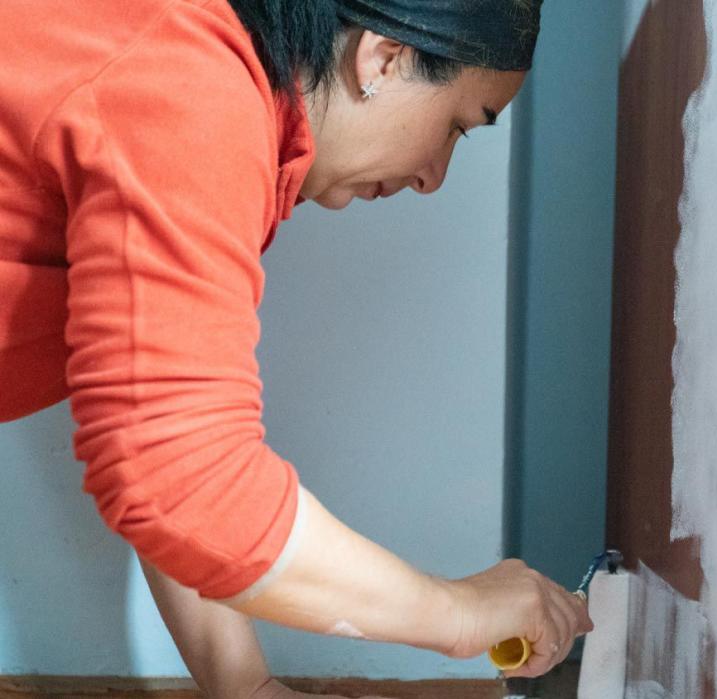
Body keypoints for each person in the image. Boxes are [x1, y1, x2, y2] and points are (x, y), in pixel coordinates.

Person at [0, 0, 592, 695]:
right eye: (458, 126)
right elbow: (182, 479)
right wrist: (457, 612)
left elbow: (158, 438)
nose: (435, 175)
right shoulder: (191, 86)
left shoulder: (199, 82)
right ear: (384, 58)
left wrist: (248, 687)